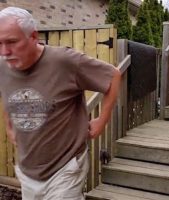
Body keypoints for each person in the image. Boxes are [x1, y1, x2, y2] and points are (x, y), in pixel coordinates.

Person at [0, 6, 121, 200]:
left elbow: (113, 76)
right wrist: (9, 125)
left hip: (65, 168)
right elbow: (6, 92)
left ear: (33, 37)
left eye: (12, 42)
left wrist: (101, 120)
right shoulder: (3, 66)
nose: (5, 51)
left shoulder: (64, 61)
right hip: (28, 169)